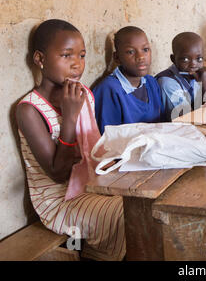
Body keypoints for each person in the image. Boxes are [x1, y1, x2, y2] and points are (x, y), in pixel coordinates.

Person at [16, 19, 125, 261]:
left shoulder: (84, 94)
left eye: (82, 55)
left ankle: (100, 252)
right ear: (39, 59)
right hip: (58, 202)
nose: (77, 64)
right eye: (66, 56)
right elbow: (57, 173)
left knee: (139, 203)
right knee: (123, 213)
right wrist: (69, 118)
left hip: (90, 184)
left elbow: (92, 148)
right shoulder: (30, 110)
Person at [92, 26, 164, 134]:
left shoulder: (151, 82)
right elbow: (109, 140)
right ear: (117, 58)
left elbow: (162, 124)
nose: (141, 57)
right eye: (130, 52)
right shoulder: (109, 90)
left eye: (145, 50)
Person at [156, 32, 206, 120]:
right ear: (173, 59)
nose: (193, 64)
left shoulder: (196, 75)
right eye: (185, 59)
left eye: (199, 59)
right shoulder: (167, 83)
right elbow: (187, 119)